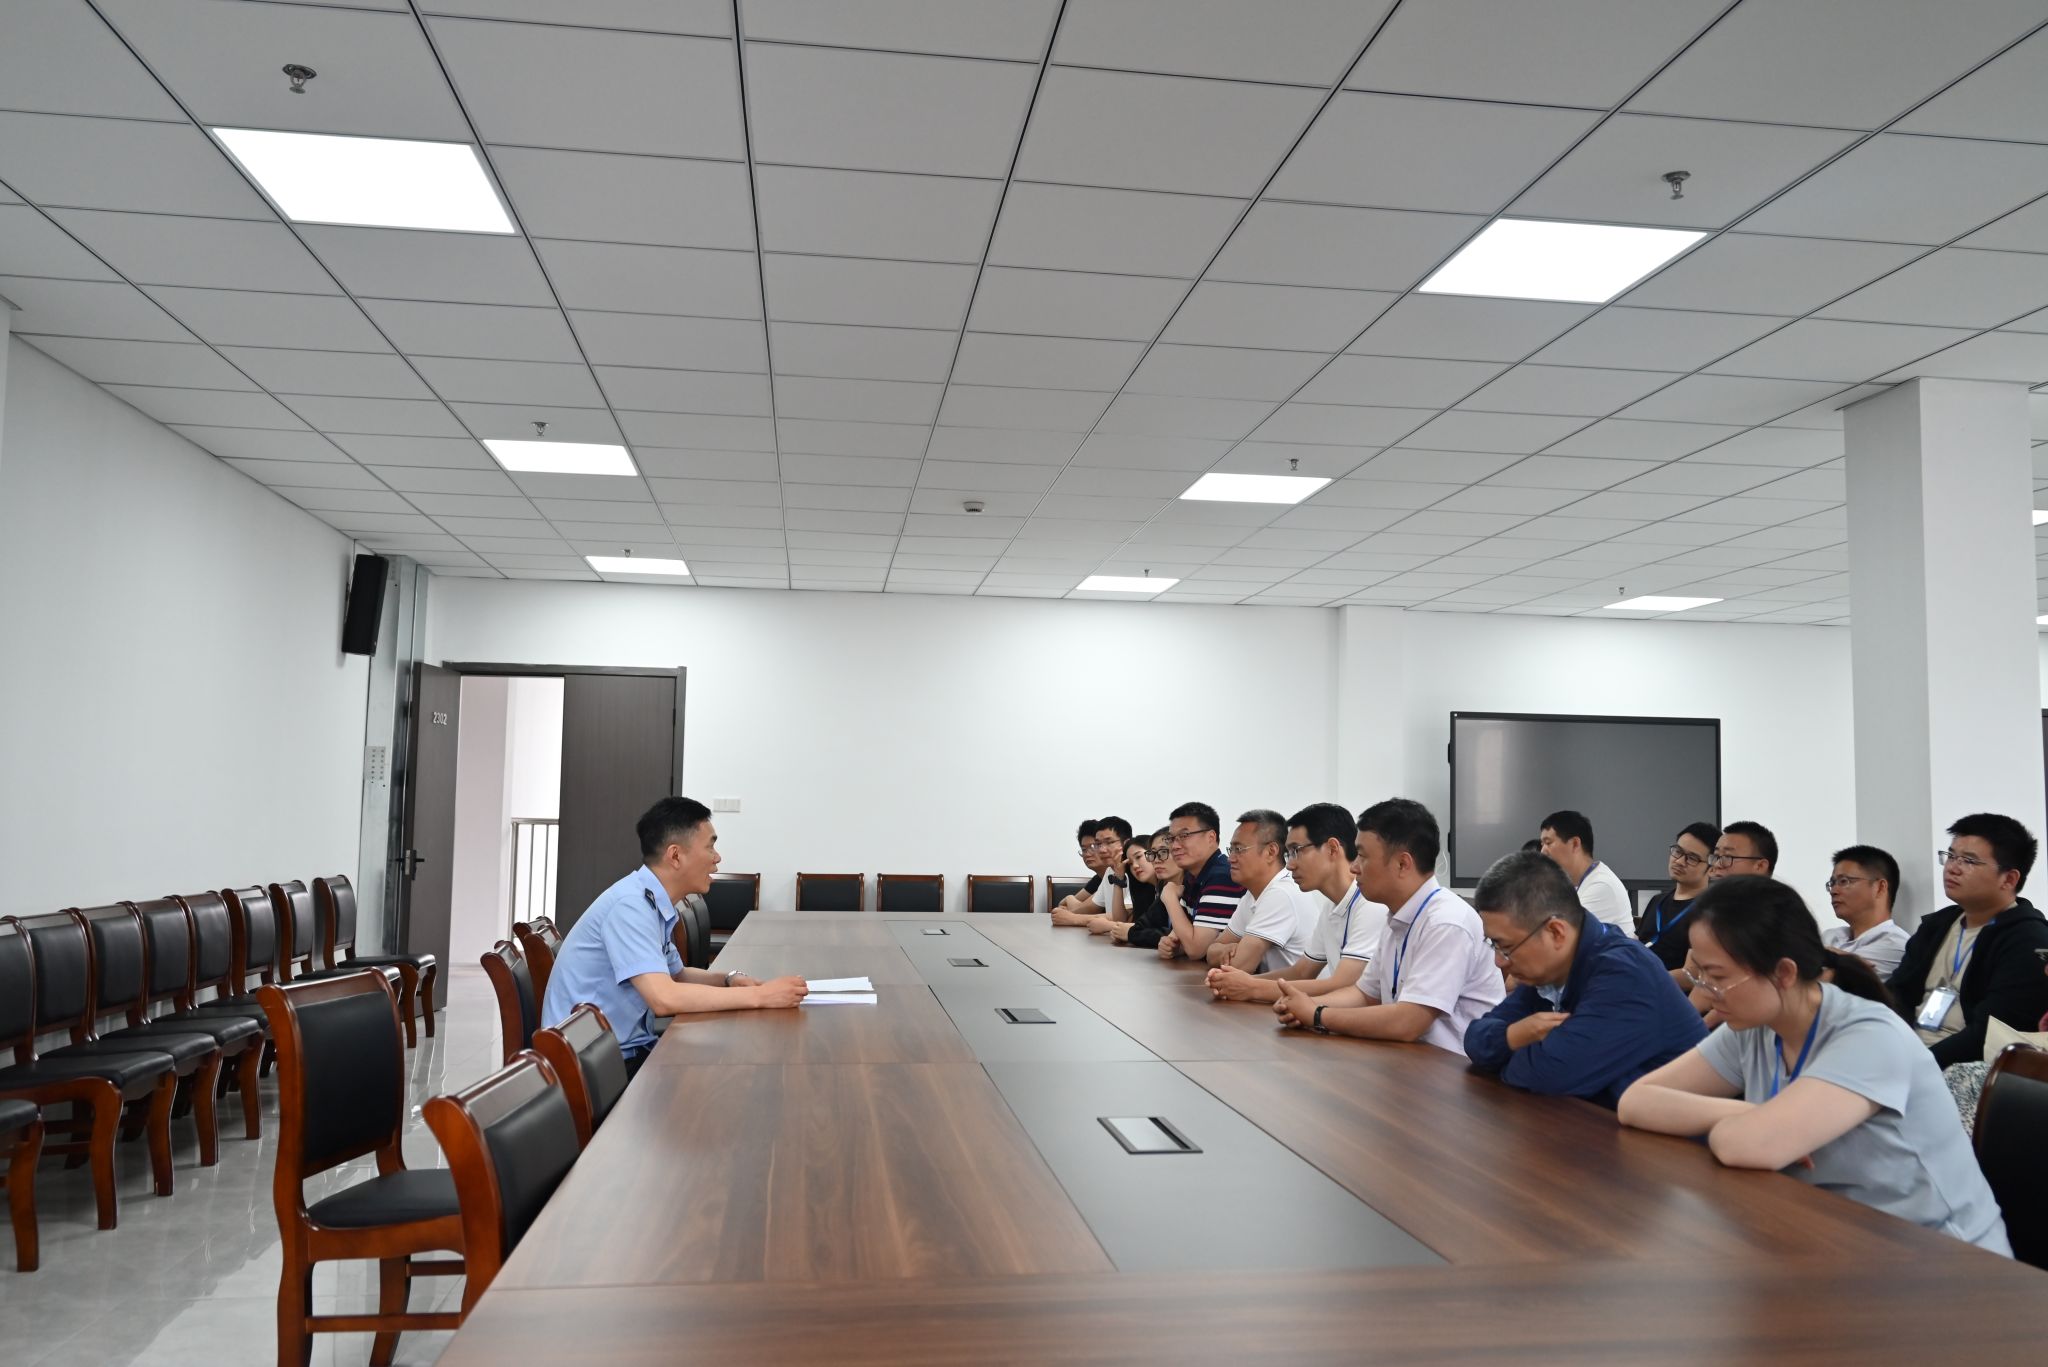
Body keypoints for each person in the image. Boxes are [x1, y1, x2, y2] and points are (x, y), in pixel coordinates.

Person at [1618, 876, 2010, 1255]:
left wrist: (1754, 1127)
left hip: (1940, 1259)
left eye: (1717, 976)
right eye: (1698, 972)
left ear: (1784, 973)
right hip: (1831, 1235)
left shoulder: (1870, 1037)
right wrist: (1750, 1115)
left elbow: (1750, 1146)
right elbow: (1636, 1101)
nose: (1705, 991)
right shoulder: (1755, 1025)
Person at [541, 797, 808, 1076]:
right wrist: (760, 996)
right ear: (676, 856)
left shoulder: (650, 902)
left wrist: (729, 980)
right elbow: (664, 998)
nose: (717, 858)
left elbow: (676, 976)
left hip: (619, 1050)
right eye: (710, 846)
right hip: (590, 1067)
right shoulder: (630, 907)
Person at [1464, 852, 1706, 1108]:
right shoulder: (1550, 969)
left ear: (1556, 932)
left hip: (1683, 1131)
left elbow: (1544, 1076)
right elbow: (1474, 1038)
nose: (1499, 962)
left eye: (1505, 947)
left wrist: (1506, 1054)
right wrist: (1514, 1035)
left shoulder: (1625, 975)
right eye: (1493, 944)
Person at [1274, 799, 1503, 1055]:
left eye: (1362, 856)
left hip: (1451, 1069)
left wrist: (1317, 1014)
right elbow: (1364, 995)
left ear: (1403, 864)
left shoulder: (1446, 922)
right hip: (1409, 1060)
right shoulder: (1397, 916)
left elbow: (1408, 1022)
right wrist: (1303, 1006)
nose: (1354, 867)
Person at [1887, 813, 2048, 1068]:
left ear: (2009, 879)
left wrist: (1916, 1066)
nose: (1952, 868)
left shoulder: (2028, 940)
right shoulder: (1936, 926)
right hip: (1907, 1053)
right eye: (1951, 856)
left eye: (1969, 861)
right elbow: (1898, 994)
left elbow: (1989, 1032)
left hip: (1962, 1068)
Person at [1207, 803, 1384, 1005]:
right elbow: (1301, 971)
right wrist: (1237, 982)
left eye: (1296, 851)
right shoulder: (1331, 906)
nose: (1290, 865)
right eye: (1289, 853)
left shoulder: (1370, 904)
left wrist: (1251, 987)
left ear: (1332, 849)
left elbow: (1342, 984)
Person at [1198, 810, 1315, 972]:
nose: (1230, 858)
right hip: (1271, 986)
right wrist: (1225, 950)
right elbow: (1211, 952)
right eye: (1231, 849)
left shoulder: (1281, 893)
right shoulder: (1253, 894)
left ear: (1271, 852)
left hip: (1297, 988)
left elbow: (1239, 966)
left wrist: (1229, 953)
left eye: (1239, 849)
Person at [1157, 802, 1246, 962]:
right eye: (1171, 838)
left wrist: (1169, 898)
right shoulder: (1193, 875)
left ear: (1211, 837)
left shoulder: (1223, 876)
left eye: (1184, 836)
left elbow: (1196, 949)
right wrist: (1172, 945)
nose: (1175, 846)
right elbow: (1181, 938)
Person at [1637, 821, 1718, 972]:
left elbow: (1691, 975)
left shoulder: (1709, 913)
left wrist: (1645, 979)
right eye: (1678, 851)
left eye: (1692, 858)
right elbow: (1640, 943)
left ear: (1712, 868)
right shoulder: (1657, 901)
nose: (1679, 861)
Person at [1537, 810, 1632, 933]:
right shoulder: (1578, 883)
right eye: (1542, 844)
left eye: (1548, 843)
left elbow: (1558, 935)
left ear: (1575, 844)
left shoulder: (1601, 886)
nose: (1543, 851)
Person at [1823, 845, 1910, 978]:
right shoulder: (1831, 936)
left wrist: (1819, 953)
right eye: (1832, 883)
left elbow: (1819, 983)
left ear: (1880, 887)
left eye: (1844, 881)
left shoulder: (1895, 945)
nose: (1833, 891)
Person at [1052, 816, 1133, 925]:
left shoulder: (1135, 871)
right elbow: (1088, 908)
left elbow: (1127, 916)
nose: (1102, 850)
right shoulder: (1110, 872)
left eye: (1109, 842)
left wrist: (1073, 918)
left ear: (1126, 843)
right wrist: (1066, 912)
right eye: (1098, 844)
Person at [1117, 828, 1179, 949]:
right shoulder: (1162, 888)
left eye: (1162, 852)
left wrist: (1128, 933)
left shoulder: (1193, 888)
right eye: (1153, 854)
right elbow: (1139, 927)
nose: (1156, 860)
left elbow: (1179, 937)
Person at [1085, 834, 1157, 936]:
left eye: (1138, 857)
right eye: (1130, 863)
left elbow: (1159, 928)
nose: (1135, 866)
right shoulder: (1146, 890)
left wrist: (1110, 926)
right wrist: (1119, 877)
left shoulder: (1168, 887)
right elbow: (1120, 919)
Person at [1049, 818, 1106, 917]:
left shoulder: (1115, 876)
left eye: (1093, 847)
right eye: (1084, 849)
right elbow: (1062, 905)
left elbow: (1082, 909)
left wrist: (1069, 898)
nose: (1087, 854)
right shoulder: (1098, 879)